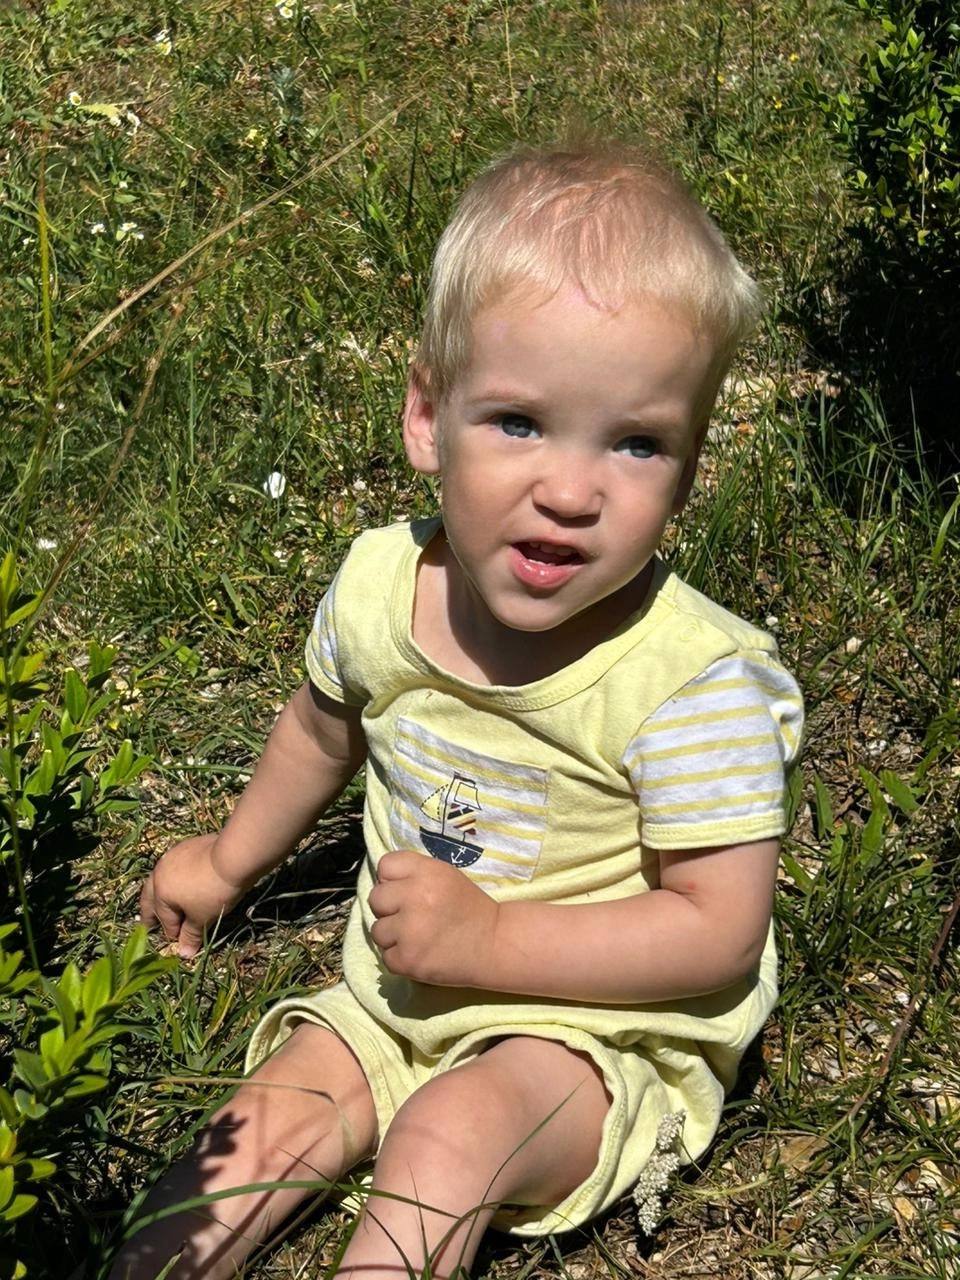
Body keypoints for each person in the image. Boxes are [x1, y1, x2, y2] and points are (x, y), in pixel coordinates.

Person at [109, 140, 803, 1280]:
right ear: (428, 415)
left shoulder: (688, 681)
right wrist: (227, 862)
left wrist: (492, 942)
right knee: (250, 1135)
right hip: (397, 991)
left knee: (448, 1135)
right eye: (519, 421)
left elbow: (714, 930)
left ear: (686, 473)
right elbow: (320, 727)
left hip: (589, 1030)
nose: (571, 491)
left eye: (637, 443)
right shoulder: (383, 590)